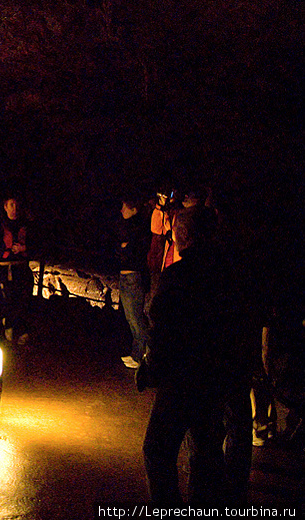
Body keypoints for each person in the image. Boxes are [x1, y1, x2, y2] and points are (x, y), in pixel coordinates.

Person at [141, 206, 249, 504]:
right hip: (216, 375)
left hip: (181, 378)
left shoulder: (177, 275)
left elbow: (161, 329)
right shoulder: (228, 273)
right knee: (205, 449)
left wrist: (151, 367)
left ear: (183, 235)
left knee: (158, 449)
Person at [0, 196, 34, 344]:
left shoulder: (27, 225)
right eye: (11, 205)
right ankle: (8, 327)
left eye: (16, 205)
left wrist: (24, 248)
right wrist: (4, 251)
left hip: (21, 268)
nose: (14, 209)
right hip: (4, 270)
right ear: (5, 207)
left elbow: (37, 244)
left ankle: (22, 330)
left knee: (23, 299)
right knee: (7, 299)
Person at [116, 195, 151, 369]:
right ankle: (136, 353)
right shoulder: (126, 226)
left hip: (133, 276)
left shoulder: (139, 228)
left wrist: (125, 247)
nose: (122, 210)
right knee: (131, 318)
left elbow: (131, 249)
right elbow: (119, 247)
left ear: (134, 209)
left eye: (125, 206)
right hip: (125, 275)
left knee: (136, 318)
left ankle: (143, 355)